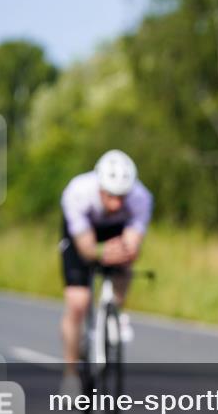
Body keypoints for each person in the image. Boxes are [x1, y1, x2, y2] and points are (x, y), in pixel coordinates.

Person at [58, 149, 153, 394]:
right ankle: (71, 376)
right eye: (111, 195)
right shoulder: (78, 192)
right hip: (83, 233)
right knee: (78, 302)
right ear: (100, 187)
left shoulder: (141, 198)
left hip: (116, 230)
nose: (117, 203)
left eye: (123, 196)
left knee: (125, 262)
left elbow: (133, 242)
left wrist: (126, 251)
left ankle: (115, 311)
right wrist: (100, 254)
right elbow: (86, 248)